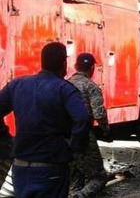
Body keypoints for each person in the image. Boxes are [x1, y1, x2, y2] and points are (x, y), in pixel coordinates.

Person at [0, 42, 92, 198]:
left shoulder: (17, 85)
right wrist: (74, 148)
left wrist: (6, 139)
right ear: (64, 64)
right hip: (51, 169)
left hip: (20, 168)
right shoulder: (64, 89)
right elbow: (83, 118)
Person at [68, 53, 110, 198]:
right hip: (84, 136)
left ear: (75, 66)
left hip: (64, 137)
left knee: (74, 180)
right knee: (99, 177)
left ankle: (74, 194)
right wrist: (106, 129)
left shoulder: (65, 84)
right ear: (92, 68)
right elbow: (99, 114)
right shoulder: (91, 87)